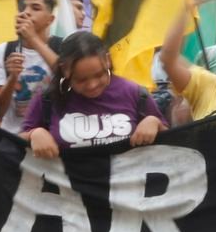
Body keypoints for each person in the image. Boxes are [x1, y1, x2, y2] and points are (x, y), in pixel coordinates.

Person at [20, 31, 164, 157]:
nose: (92, 85)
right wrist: (34, 134)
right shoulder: (47, 99)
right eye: (81, 79)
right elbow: (14, 143)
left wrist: (154, 122)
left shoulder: (135, 93)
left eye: (99, 75)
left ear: (107, 60)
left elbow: (173, 147)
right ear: (64, 70)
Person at [0, 0, 60, 134]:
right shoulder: (2, 51)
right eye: (22, 8)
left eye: (35, 8)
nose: (26, 12)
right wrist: (13, 77)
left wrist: (33, 38)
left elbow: (67, 75)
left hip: (53, 136)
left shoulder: (63, 47)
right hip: (13, 138)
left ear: (50, 19)